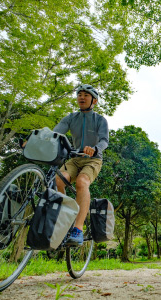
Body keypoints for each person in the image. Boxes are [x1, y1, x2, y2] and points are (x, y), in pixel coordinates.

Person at [53, 84, 109, 245]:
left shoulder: (100, 120)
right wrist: (38, 138)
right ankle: (62, 215)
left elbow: (104, 140)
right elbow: (55, 133)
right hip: (75, 158)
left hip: (93, 159)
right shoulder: (71, 118)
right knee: (59, 179)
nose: (81, 97)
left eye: (86, 95)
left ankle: (77, 229)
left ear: (94, 101)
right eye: (79, 95)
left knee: (82, 182)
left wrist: (95, 149)